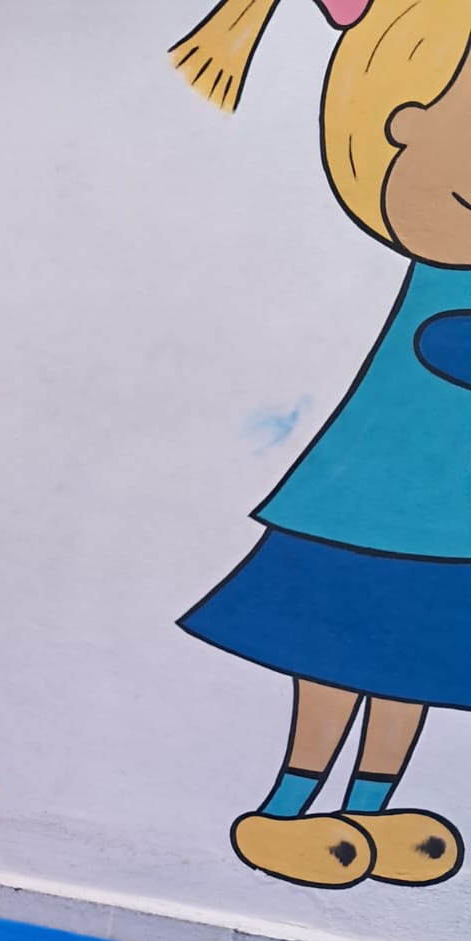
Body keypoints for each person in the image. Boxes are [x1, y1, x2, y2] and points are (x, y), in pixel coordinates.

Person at [171, 0, 471, 889]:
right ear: (402, 126)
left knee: (406, 672)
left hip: (446, 530)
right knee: (332, 661)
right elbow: (446, 349)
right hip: (361, 516)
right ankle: (288, 808)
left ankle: (369, 810)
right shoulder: (442, 278)